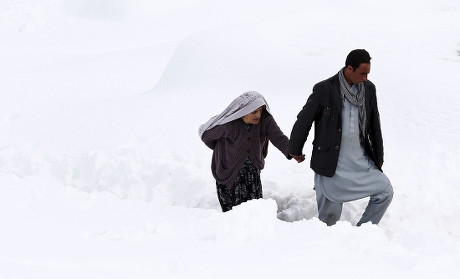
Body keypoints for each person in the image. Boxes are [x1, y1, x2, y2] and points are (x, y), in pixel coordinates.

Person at [289, 49, 393, 226]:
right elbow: (304, 120)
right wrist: (295, 149)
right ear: (349, 68)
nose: (365, 78)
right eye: (362, 73)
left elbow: (375, 124)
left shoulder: (368, 89)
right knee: (330, 217)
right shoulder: (325, 89)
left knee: (385, 191)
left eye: (368, 74)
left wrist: (379, 156)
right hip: (332, 163)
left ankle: (363, 232)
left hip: (360, 162)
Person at [199, 91, 304, 212]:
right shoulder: (229, 124)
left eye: (260, 111)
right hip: (229, 174)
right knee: (232, 214)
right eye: (254, 112)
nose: (258, 115)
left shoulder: (265, 120)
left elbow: (278, 137)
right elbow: (207, 136)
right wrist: (220, 149)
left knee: (254, 211)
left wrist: (292, 151)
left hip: (252, 173)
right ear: (242, 112)